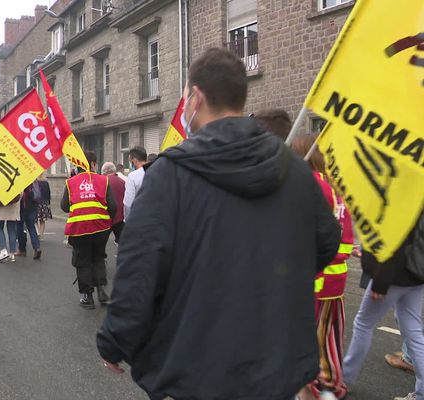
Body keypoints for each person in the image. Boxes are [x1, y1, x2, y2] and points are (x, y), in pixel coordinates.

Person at [96, 47, 341, 400]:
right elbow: (326, 243)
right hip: (279, 366)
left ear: (195, 97)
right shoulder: (297, 171)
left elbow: (139, 267)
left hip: (196, 372)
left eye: (185, 96)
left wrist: (115, 339)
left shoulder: (169, 174)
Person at [291, 134, 355, 399]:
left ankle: (321, 387)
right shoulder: (337, 186)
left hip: (317, 276)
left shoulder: (310, 186)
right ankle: (330, 382)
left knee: (311, 340)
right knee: (329, 337)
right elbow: (345, 236)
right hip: (335, 278)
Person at [343, 212, 424, 400]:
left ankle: (342, 379)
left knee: (363, 323)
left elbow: (394, 237)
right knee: (412, 329)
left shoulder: (402, 192)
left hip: (393, 273)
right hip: (417, 271)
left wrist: (380, 277)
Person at [62, 151, 117, 309]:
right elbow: (113, 206)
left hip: (79, 228)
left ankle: (87, 297)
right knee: (99, 258)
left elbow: (64, 206)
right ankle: (102, 291)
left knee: (82, 261)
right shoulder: (104, 180)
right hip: (101, 228)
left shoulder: (70, 182)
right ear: (93, 164)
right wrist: (108, 224)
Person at [0, 192, 21, 263]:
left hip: (1, 205)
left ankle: (3, 251)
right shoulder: (18, 180)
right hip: (14, 206)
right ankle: (12, 254)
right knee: (12, 230)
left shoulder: (0, 180)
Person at [15, 180, 42, 259]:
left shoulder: (21, 180)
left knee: (20, 228)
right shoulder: (34, 180)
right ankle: (37, 247)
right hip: (33, 207)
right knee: (31, 228)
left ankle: (22, 249)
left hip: (22, 208)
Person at [101, 162, 125, 245]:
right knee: (122, 244)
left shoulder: (102, 182)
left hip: (106, 218)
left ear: (104, 172)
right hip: (120, 218)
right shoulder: (123, 182)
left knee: (100, 246)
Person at [123, 146, 147, 220]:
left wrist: (127, 221)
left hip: (139, 219)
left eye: (130, 161)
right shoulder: (157, 172)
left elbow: (128, 204)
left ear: (134, 160)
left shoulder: (132, 176)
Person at [36, 174, 52, 239]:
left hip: (37, 203)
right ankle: (41, 235)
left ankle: (38, 232)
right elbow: (49, 193)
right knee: (42, 220)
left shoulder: (35, 183)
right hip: (45, 203)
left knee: (35, 219)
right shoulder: (46, 183)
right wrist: (48, 203)